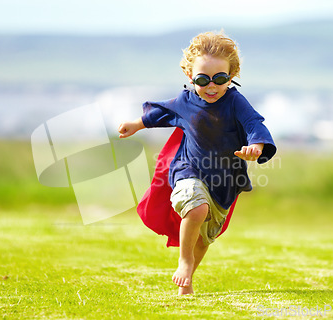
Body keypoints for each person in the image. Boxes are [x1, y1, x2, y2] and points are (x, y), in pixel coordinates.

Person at [118, 31, 276, 295]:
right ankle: (184, 259)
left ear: (232, 75)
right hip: (187, 170)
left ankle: (188, 276)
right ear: (190, 76)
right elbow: (162, 113)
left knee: (205, 239)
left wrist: (256, 147)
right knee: (196, 209)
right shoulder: (185, 101)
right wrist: (136, 124)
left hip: (224, 183)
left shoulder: (235, 102)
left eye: (220, 78)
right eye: (203, 79)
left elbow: (253, 124)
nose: (211, 86)